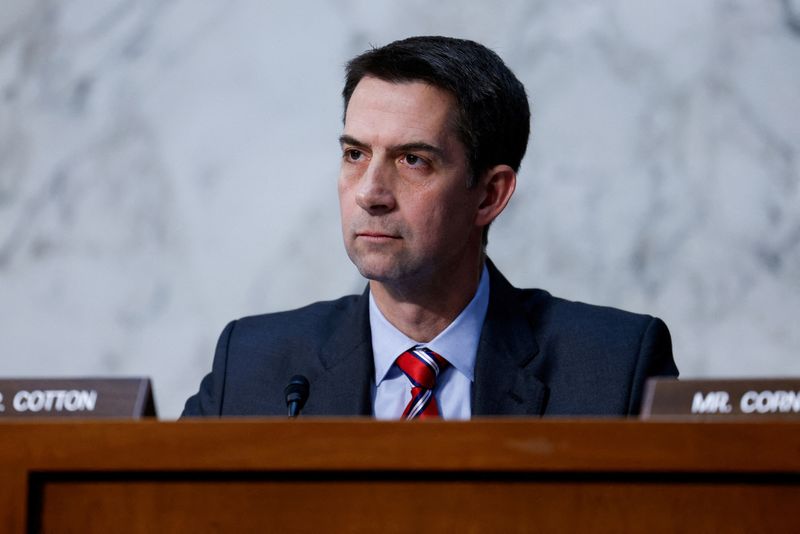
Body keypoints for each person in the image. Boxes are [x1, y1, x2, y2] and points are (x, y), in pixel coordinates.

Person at [182, 36, 678, 419]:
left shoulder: (614, 368)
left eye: (412, 160)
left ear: (489, 195)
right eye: (355, 154)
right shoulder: (252, 364)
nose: (369, 193)